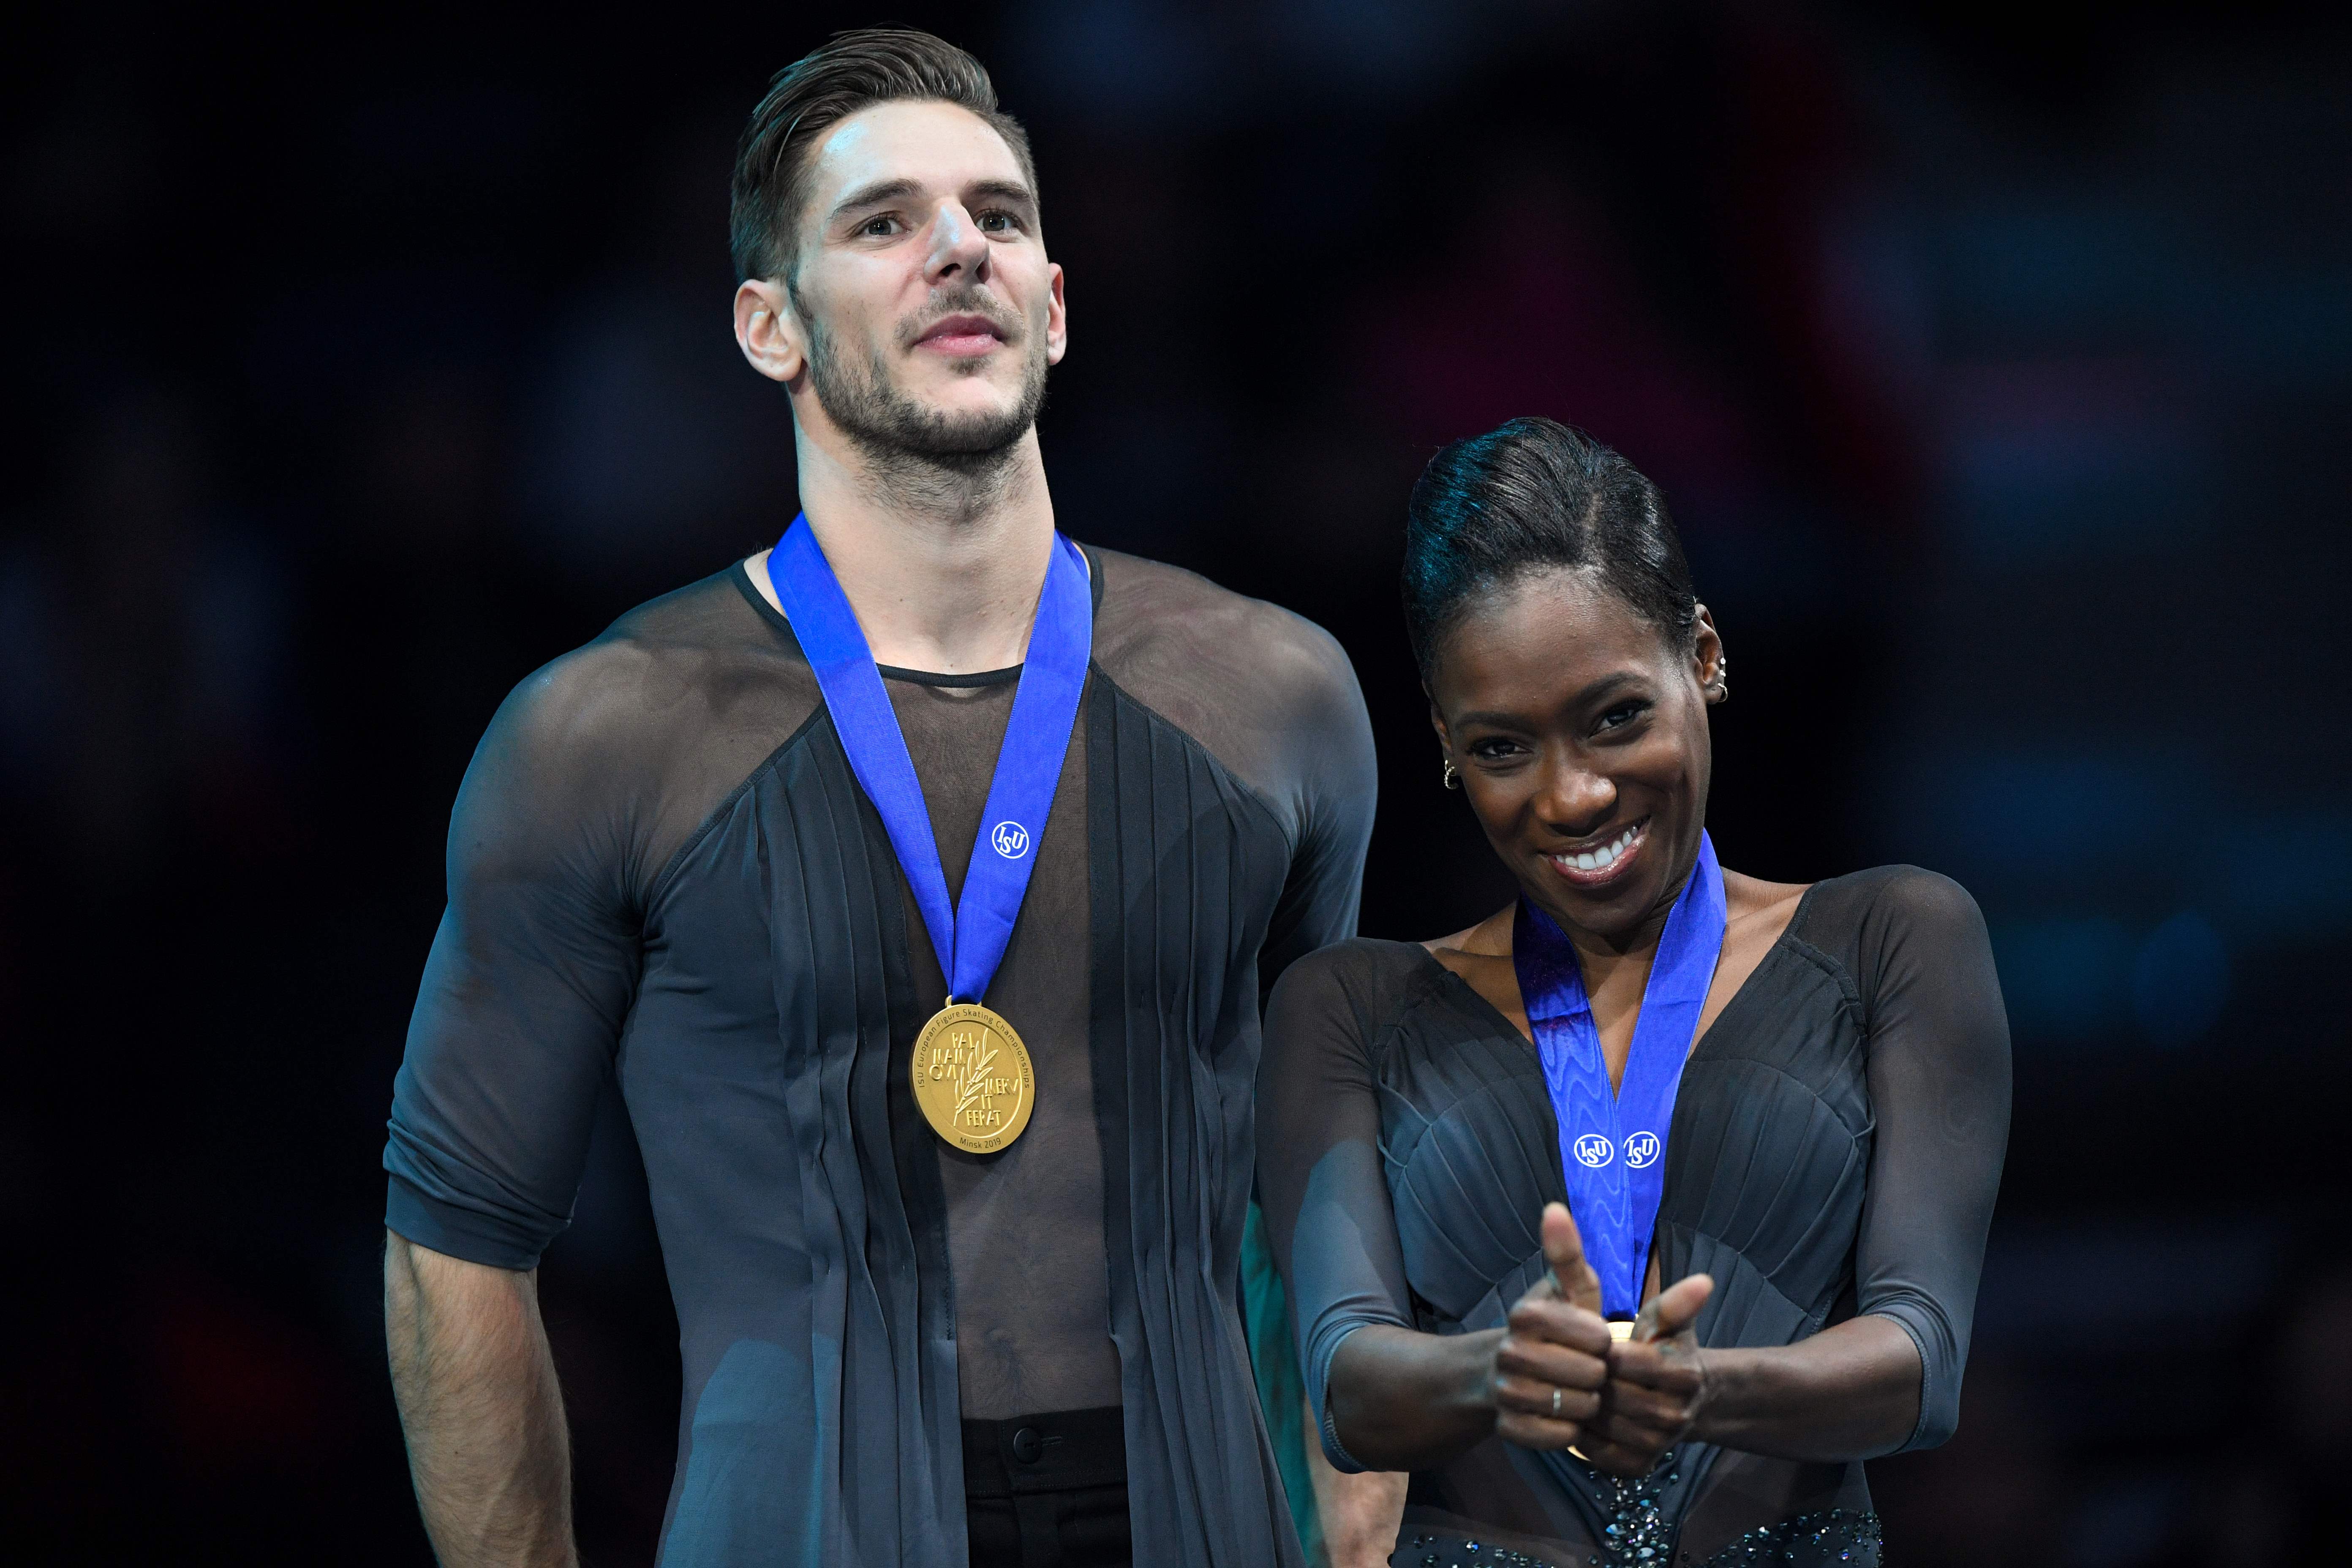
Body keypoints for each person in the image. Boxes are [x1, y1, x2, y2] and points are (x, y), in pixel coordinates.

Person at [380, 29, 1376, 1568]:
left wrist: (1356, 1543)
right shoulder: (601, 736)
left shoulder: (1280, 700)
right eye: (883, 221)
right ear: (768, 327)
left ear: (1054, 304)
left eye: (1000, 215)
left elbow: (1318, 1206)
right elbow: (455, 1238)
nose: (959, 249)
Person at [1256, 417, 2009, 1566]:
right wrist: (1494, 1369)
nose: (1572, 796)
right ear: (1445, 740)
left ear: (1702, 656)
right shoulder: (1347, 1009)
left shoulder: (1892, 942)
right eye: (1505, 747)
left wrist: (1694, 1387)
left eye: (1616, 718)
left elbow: (1923, 1363)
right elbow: (1350, 1385)